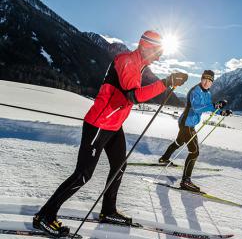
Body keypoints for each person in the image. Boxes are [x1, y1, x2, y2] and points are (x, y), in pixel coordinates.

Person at [33, 30, 188, 237]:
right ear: (145, 46)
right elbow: (133, 96)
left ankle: (108, 211)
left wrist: (167, 83)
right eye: (157, 52)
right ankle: (45, 216)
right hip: (99, 124)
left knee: (119, 166)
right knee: (82, 175)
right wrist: (166, 82)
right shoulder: (126, 61)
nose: (159, 57)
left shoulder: (138, 65)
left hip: (114, 125)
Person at [158, 70, 232, 192]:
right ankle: (185, 181)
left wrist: (221, 111)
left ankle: (164, 158)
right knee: (194, 152)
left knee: (179, 142)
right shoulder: (195, 91)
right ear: (201, 79)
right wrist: (215, 105)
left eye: (209, 81)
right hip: (186, 123)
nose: (206, 82)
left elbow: (209, 106)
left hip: (189, 123)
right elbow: (197, 108)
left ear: (212, 83)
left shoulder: (207, 93)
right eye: (205, 79)